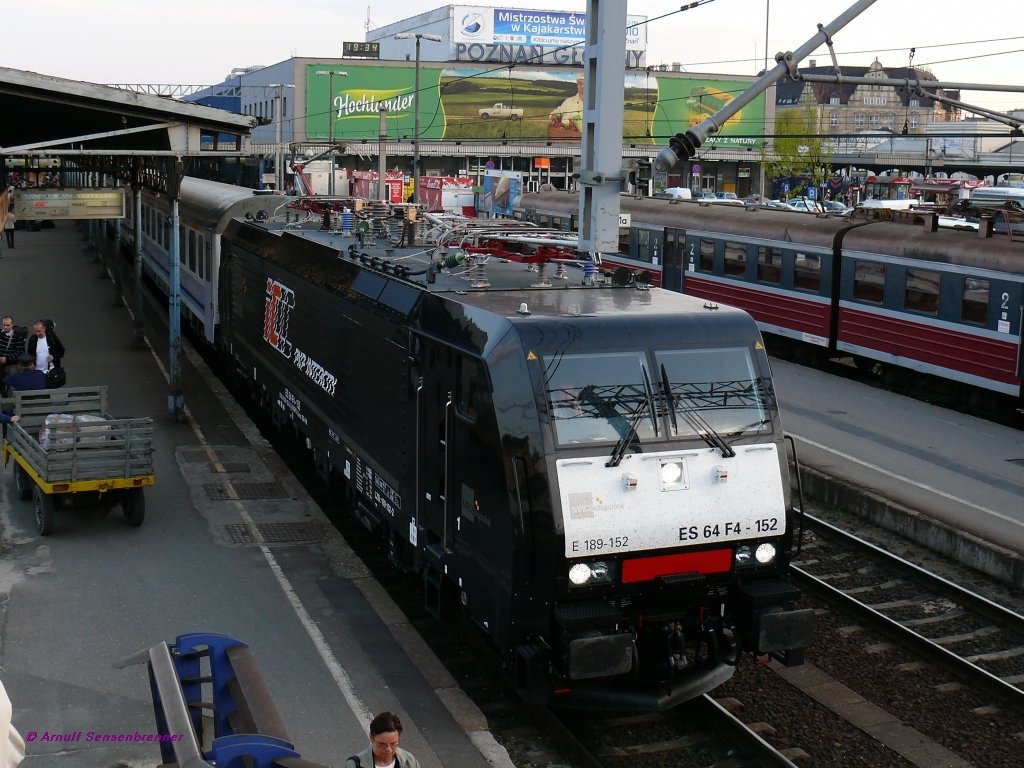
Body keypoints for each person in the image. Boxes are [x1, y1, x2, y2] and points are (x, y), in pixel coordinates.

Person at [345, 712, 420, 768]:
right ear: (371, 738)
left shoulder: (409, 761)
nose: (388, 749)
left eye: (393, 743)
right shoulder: (354, 765)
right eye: (382, 744)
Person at [548, 75, 584, 140]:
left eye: (585, 84)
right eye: (580, 83)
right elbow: (557, 112)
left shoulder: (596, 103)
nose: (582, 86)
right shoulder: (568, 101)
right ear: (577, 85)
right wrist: (554, 116)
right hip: (567, 142)